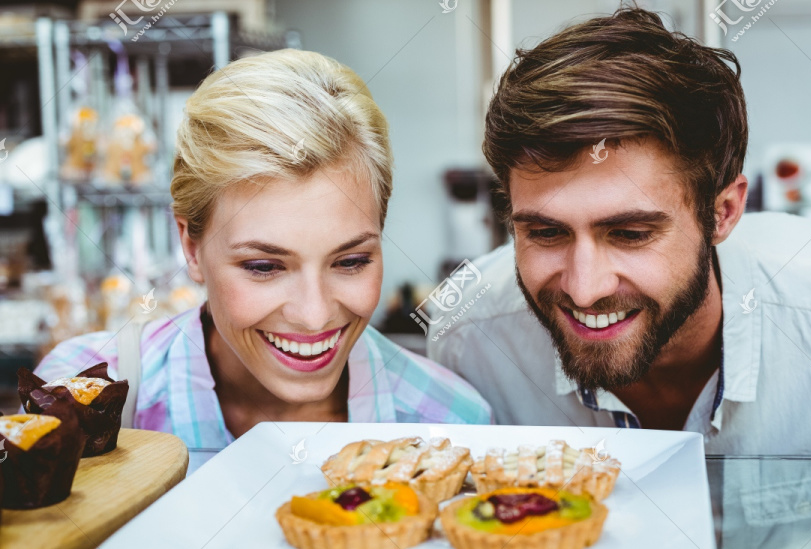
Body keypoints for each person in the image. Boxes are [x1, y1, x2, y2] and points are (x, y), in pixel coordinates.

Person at [426, 8, 811, 454]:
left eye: (630, 234)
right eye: (546, 233)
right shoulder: (469, 343)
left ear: (724, 212)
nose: (585, 290)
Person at [35, 49, 491, 457]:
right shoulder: (76, 403)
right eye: (264, 267)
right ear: (192, 248)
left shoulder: (453, 426)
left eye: (350, 261)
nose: (314, 317)